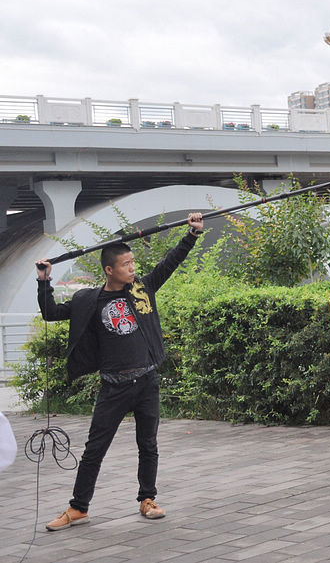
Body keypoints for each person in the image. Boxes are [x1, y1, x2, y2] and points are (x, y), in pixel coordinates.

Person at [36, 212, 205, 531]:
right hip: (112, 388)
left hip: (146, 382)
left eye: (133, 262)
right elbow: (51, 313)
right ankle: (78, 508)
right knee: (94, 449)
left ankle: (148, 498)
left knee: (149, 444)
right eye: (126, 264)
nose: (133, 268)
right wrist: (44, 281)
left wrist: (192, 235)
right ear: (109, 270)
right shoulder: (89, 300)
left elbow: (169, 263)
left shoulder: (142, 289)